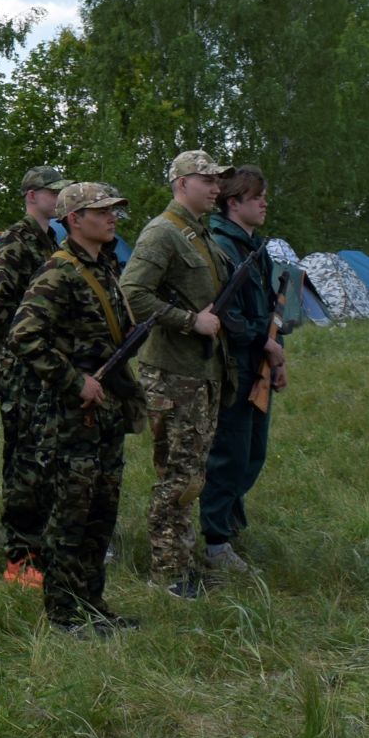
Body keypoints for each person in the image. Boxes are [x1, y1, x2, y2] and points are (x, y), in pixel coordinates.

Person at [8, 183, 144, 634]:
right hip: (71, 417)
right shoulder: (59, 272)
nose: (111, 218)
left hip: (104, 413)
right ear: (74, 219)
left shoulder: (105, 267)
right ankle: (64, 614)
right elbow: (23, 336)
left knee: (101, 512)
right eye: (100, 211)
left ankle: (93, 604)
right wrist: (73, 380)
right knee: (70, 515)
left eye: (113, 211)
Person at [119, 149, 234, 599]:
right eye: (207, 179)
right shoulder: (163, 232)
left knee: (192, 473)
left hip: (201, 372)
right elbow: (133, 291)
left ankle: (184, 562)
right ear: (182, 182)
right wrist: (189, 321)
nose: (215, 187)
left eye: (217, 180)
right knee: (177, 475)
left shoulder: (197, 233)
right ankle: (168, 572)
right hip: (173, 373)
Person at [0, 165, 68, 586]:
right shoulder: (18, 238)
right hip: (24, 371)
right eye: (53, 192)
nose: (59, 198)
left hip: (48, 370)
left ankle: (40, 545)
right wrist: (21, 344)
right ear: (32, 195)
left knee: (47, 460)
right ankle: (18, 556)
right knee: (25, 464)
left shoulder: (51, 239)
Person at [201, 164, 285, 577]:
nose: (264, 203)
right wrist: (262, 343)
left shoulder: (257, 246)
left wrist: (275, 356)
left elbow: (271, 310)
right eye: (256, 197)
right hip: (232, 365)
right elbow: (225, 313)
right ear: (234, 203)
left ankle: (229, 526)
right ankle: (214, 541)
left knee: (253, 453)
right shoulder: (220, 244)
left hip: (258, 363)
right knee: (228, 456)